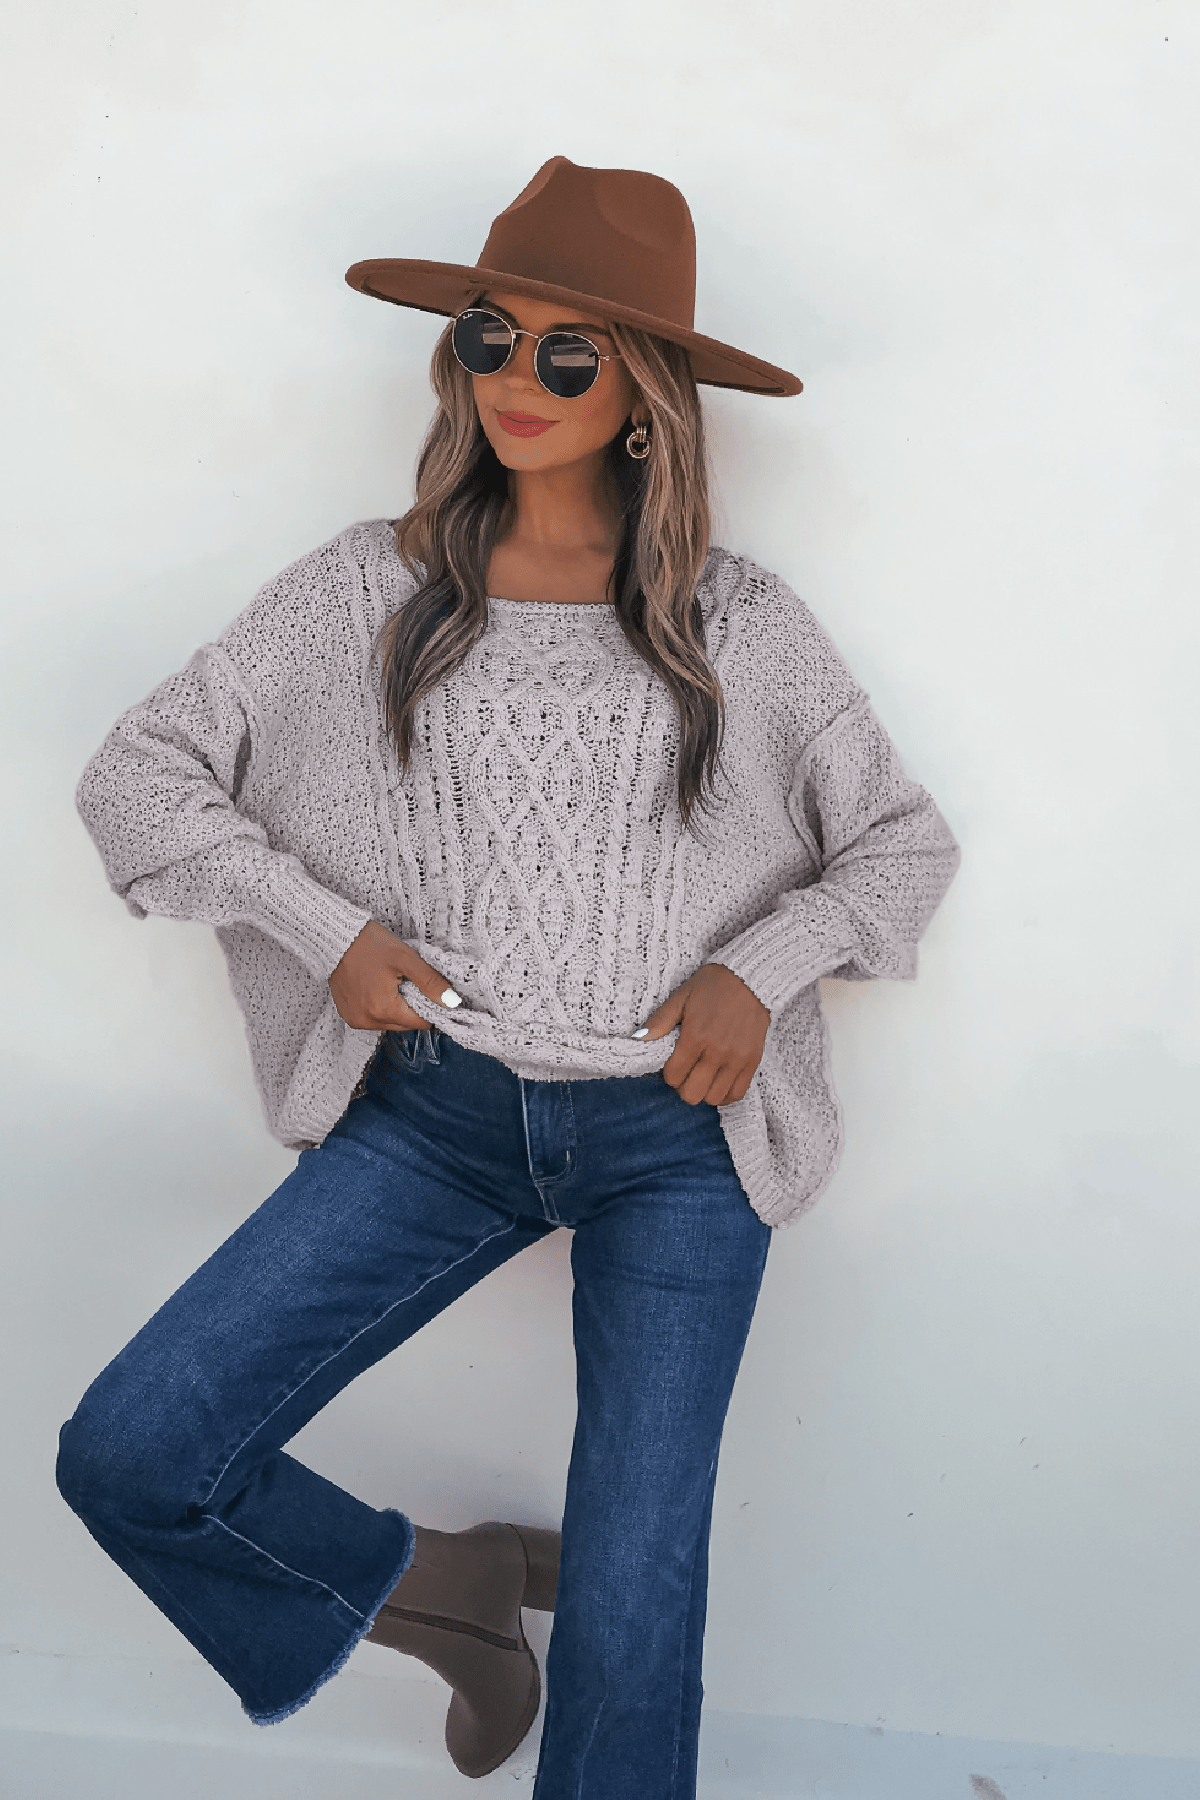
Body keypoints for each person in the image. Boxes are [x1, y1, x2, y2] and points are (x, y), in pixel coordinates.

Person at [55, 155, 960, 1798]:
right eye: (488, 337)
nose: (515, 382)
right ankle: (442, 1591)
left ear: (644, 400)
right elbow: (140, 778)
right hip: (437, 1119)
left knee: (630, 1613)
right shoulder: (365, 590)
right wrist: (323, 930)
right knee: (134, 1451)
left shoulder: (737, 624)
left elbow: (900, 847)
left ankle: (527, 1622)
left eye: (569, 354)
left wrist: (760, 968)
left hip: (682, 1149)